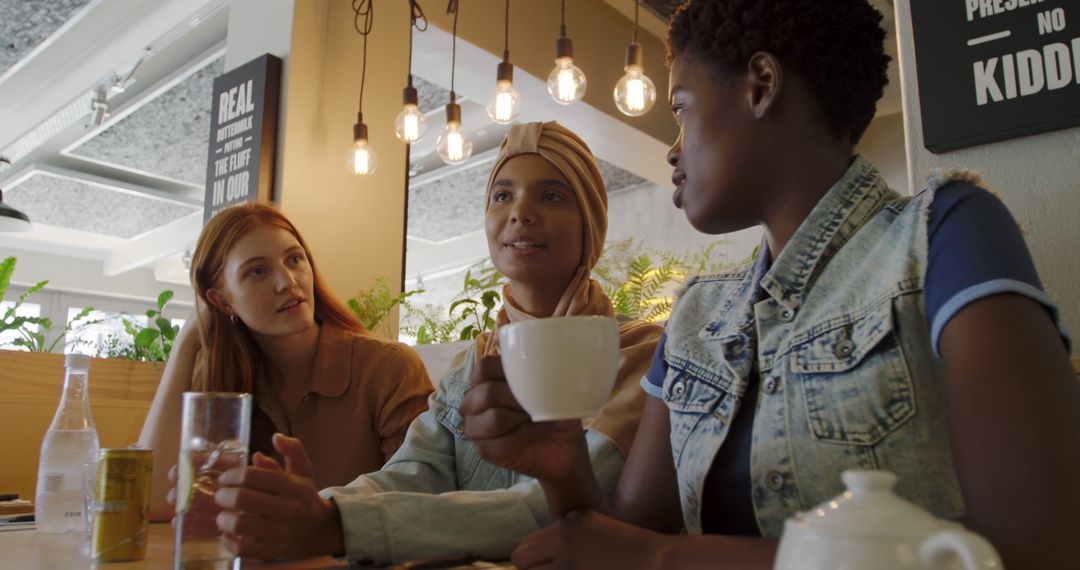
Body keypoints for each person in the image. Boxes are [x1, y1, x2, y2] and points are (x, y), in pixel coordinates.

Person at [459, 1, 1080, 568]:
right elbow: (619, 539)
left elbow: (1031, 547)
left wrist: (662, 561)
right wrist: (562, 464)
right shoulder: (697, 314)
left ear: (760, 85)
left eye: (680, 110)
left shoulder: (946, 233)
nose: (672, 152)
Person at [209, 122, 664, 563]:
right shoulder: (475, 365)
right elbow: (411, 474)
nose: (520, 212)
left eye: (552, 195)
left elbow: (554, 509)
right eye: (502, 195)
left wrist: (336, 524)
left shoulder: (638, 355)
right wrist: (312, 508)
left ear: (591, 222)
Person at [138, 202, 433, 521]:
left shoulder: (388, 367)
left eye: (294, 259)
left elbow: (417, 502)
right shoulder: (219, 383)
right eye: (258, 271)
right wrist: (186, 342)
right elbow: (153, 503)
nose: (287, 281)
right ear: (222, 300)